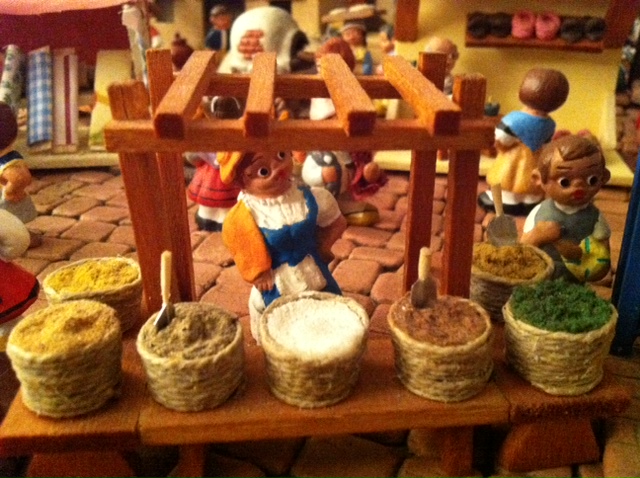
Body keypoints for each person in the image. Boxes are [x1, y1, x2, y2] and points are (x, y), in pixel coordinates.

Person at [219, 150, 347, 341]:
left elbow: (337, 223)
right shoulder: (246, 215)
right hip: (277, 280)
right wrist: (258, 273)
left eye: (281, 155)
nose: (278, 169)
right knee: (277, 322)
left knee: (329, 309)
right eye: (263, 171)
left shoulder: (311, 198)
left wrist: (322, 246)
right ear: (243, 181)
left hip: (312, 270)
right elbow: (238, 241)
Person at [521, 134, 611, 282]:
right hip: (540, 277)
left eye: (591, 180)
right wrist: (537, 235)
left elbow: (602, 263)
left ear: (604, 178)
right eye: (564, 182)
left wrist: (583, 257)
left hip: (574, 282)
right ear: (539, 179)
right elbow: (522, 250)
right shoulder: (538, 213)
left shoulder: (596, 219)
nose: (578, 187)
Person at [479, 68, 569, 216]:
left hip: (514, 158)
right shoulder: (550, 124)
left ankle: (508, 201)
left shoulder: (514, 119)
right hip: (535, 159)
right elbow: (546, 144)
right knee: (531, 181)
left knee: (508, 178)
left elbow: (502, 138)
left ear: (522, 92)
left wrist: (499, 145)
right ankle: (531, 200)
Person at [187, 96, 242, 231]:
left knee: (229, 203)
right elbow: (193, 155)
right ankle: (207, 217)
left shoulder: (238, 134)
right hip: (211, 173)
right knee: (208, 201)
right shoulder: (207, 134)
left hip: (229, 171)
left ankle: (224, 219)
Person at [0, 102, 40, 247]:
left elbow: (21, 177)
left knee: (10, 222)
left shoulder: (7, 163)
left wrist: (9, 192)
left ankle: (19, 238)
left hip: (7, 202)